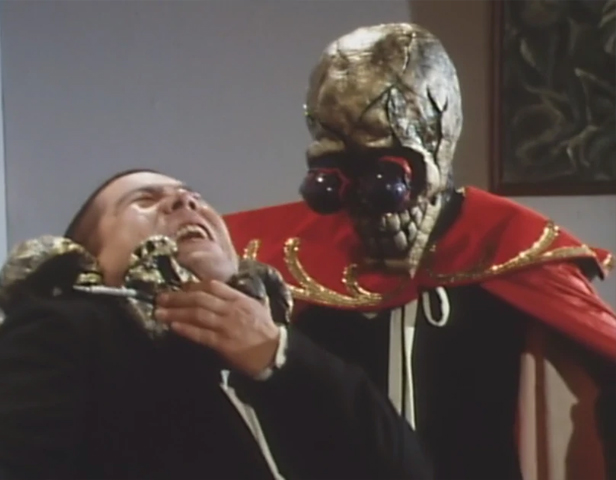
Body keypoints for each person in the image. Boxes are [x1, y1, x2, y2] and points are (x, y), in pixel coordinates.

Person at [223, 23, 616, 480]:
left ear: (437, 148)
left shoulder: (509, 247)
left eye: (387, 172)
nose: (364, 199)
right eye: (334, 175)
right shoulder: (283, 258)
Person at [0, 170, 433, 479]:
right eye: (144, 200)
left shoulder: (296, 343)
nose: (185, 199)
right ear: (90, 260)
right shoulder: (62, 330)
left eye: (193, 195)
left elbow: (403, 470)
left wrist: (277, 357)